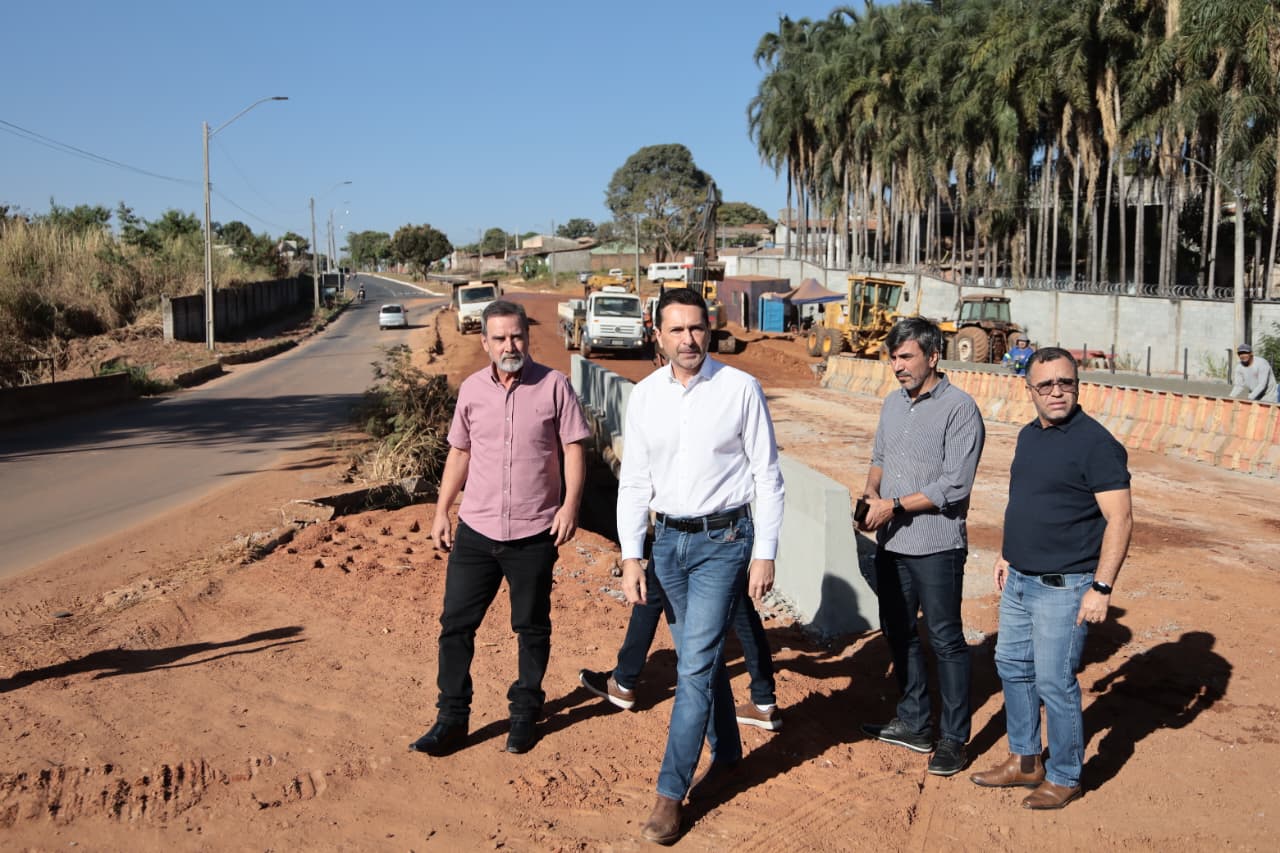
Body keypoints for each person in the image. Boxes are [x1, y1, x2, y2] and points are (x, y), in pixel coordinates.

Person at [617, 287, 785, 844]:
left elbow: (767, 475)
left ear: (708, 329)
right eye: (678, 330)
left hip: (724, 541)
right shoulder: (643, 397)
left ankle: (670, 795)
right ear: (658, 335)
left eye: (697, 327)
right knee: (700, 653)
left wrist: (765, 552)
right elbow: (635, 482)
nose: (690, 339)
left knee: (691, 666)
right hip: (667, 545)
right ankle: (729, 749)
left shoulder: (740, 388)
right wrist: (631, 554)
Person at [409, 299, 590, 757]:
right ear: (484, 342)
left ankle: (525, 713)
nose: (511, 345)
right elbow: (460, 452)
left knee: (531, 627)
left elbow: (573, 449)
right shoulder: (471, 390)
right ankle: (451, 718)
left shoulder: (554, 386)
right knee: (455, 627)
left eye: (517, 336)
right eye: (501, 338)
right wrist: (441, 509)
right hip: (476, 530)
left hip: (533, 533)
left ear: (526, 337)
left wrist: (570, 506)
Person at [971, 347, 1132, 810]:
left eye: (1066, 382)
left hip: (1066, 586)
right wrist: (1006, 553)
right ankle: (1025, 760)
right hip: (1019, 580)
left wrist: (1101, 588)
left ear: (1078, 385)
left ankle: (1065, 773)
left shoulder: (1096, 444)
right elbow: (1024, 499)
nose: (1057, 392)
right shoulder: (1028, 436)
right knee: (1012, 668)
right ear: (1030, 390)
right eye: (1046, 385)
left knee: (1054, 682)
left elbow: (1119, 520)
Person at [858, 317, 986, 777]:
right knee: (898, 630)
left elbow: (954, 484)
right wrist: (872, 495)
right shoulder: (893, 404)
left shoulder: (960, 409)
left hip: (937, 545)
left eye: (906, 356)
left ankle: (954, 738)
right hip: (892, 545)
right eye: (893, 358)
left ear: (933, 357)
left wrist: (892, 506)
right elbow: (879, 458)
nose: (898, 366)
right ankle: (914, 720)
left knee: (946, 640)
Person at [578, 554, 782, 731]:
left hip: (692, 527)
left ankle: (624, 680)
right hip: (725, 530)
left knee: (651, 587)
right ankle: (764, 699)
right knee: (740, 607)